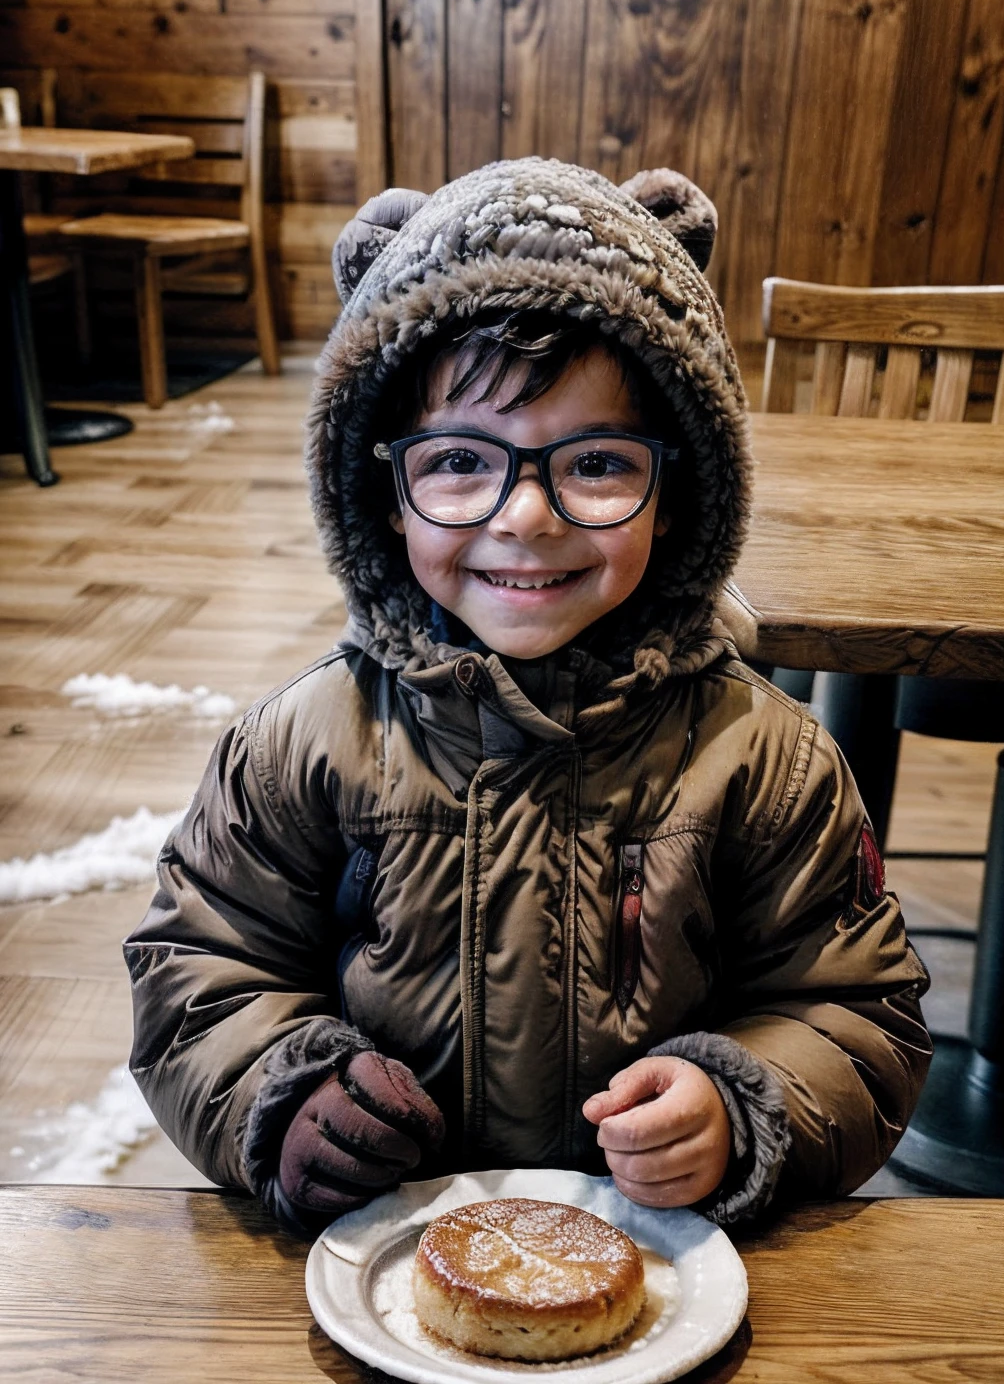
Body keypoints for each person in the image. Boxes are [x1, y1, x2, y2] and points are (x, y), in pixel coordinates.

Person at [125, 158, 931, 1232]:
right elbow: (200, 972)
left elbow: (856, 1015)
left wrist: (742, 1106)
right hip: (382, 1272)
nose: (526, 517)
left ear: (679, 486)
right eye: (460, 460)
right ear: (382, 490)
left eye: (596, 464)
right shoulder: (297, 747)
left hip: (656, 1273)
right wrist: (286, 1099)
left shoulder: (768, 761)